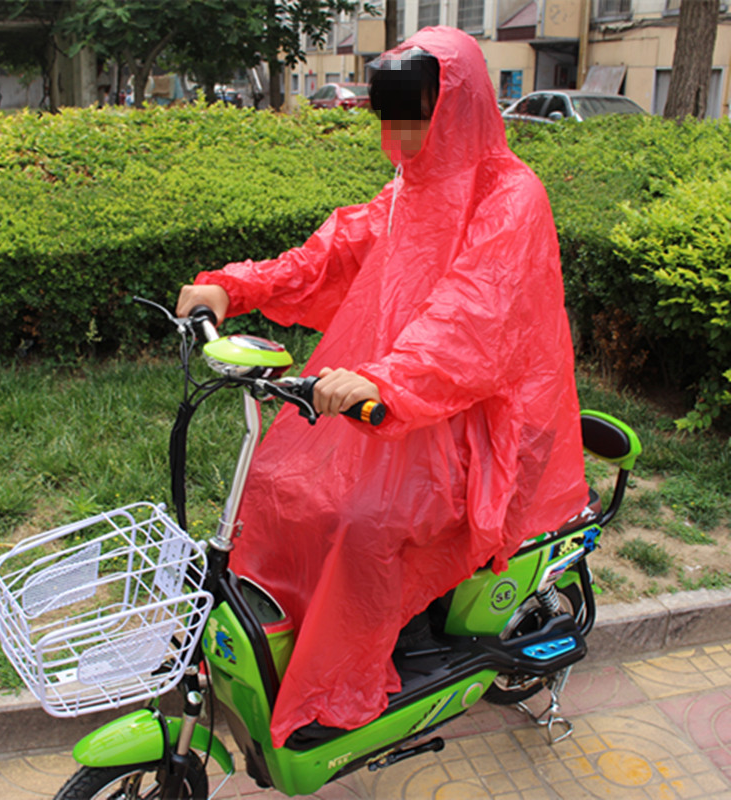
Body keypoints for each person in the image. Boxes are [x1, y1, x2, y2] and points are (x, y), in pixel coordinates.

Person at [176, 26, 588, 749]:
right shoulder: (407, 193)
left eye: (415, 116)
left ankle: (347, 680)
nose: (399, 136)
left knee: (366, 523)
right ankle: (295, 646)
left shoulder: (511, 197)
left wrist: (384, 378)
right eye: (390, 118)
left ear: (459, 108)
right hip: (399, 402)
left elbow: (472, 318)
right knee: (281, 480)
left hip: (478, 417)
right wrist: (233, 287)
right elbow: (329, 255)